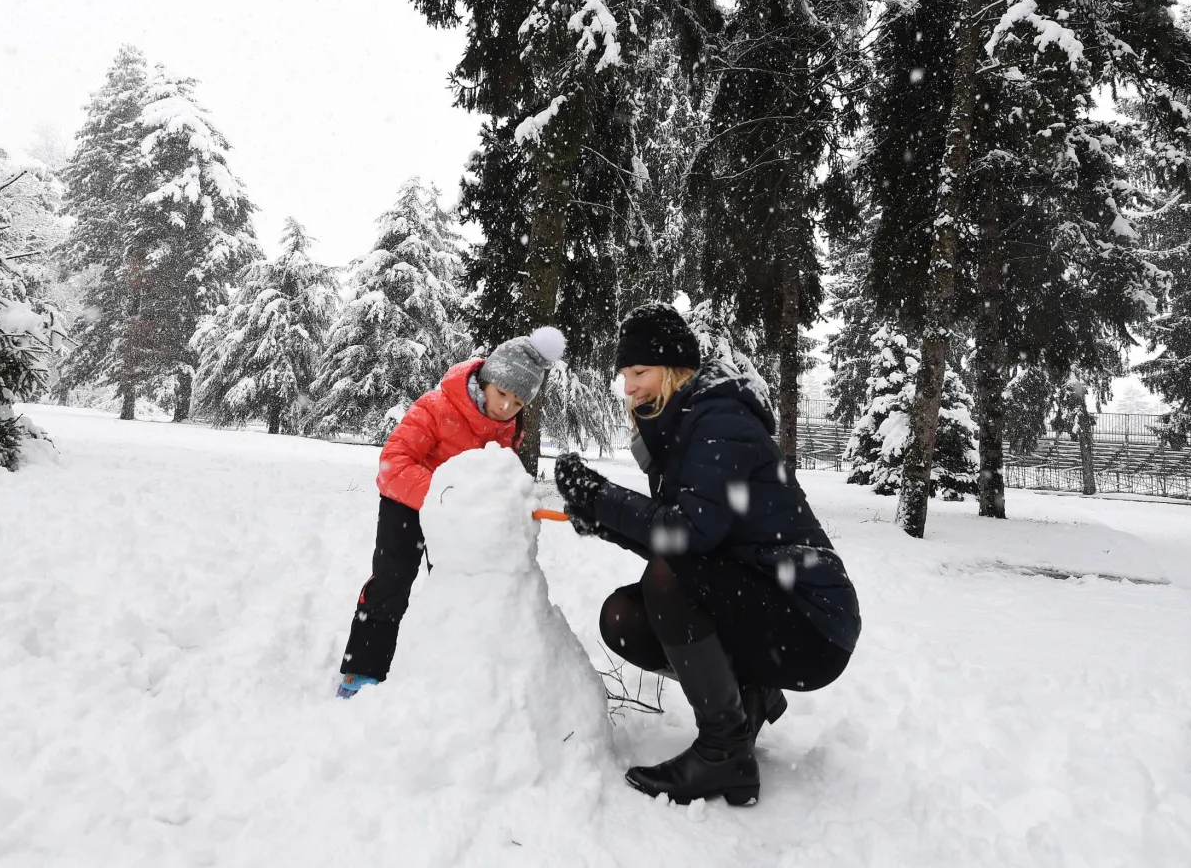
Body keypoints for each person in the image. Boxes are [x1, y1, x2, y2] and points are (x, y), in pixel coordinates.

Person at [553, 303, 859, 807]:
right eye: (624, 375)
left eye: (640, 372)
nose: (628, 387)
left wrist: (601, 496)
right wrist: (601, 522)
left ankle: (725, 753)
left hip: (814, 621)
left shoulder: (721, 420)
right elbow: (691, 541)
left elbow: (688, 536)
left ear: (676, 370)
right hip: (767, 598)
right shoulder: (684, 429)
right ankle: (748, 698)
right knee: (624, 618)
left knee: (666, 582)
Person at [336, 327, 566, 699]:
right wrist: (450, 496)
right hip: (406, 504)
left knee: (458, 587)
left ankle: (442, 671)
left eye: (518, 403)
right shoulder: (436, 406)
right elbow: (392, 464)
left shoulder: (509, 426)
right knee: (391, 584)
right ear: (486, 380)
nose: (507, 407)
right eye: (502, 394)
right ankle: (362, 668)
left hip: (461, 515)